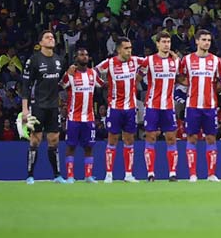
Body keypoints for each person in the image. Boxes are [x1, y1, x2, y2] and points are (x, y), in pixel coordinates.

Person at [21, 30, 65, 183]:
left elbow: (62, 82)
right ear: (40, 43)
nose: (51, 39)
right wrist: (25, 109)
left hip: (53, 106)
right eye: (47, 37)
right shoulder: (33, 60)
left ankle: (57, 175)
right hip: (38, 105)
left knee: (54, 140)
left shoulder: (59, 60)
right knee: (35, 139)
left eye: (52, 37)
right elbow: (26, 86)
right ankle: (30, 175)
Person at [96, 37, 141, 183]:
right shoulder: (109, 63)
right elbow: (93, 72)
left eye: (130, 48)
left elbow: (152, 62)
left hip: (130, 108)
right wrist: (102, 84)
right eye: (126, 48)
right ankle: (109, 174)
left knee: (129, 140)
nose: (129, 51)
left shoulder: (135, 61)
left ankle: (128, 174)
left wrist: (172, 56)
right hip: (115, 108)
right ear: (119, 50)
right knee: (112, 139)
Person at [179, 29, 221, 182]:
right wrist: (191, 86)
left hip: (210, 106)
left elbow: (220, 81)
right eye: (203, 40)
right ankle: (192, 174)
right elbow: (180, 77)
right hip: (192, 106)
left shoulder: (216, 60)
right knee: (192, 138)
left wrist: (212, 92)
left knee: (211, 138)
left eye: (209, 40)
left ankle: (211, 174)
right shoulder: (187, 60)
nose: (206, 43)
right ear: (197, 41)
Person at [140, 31, 182, 182]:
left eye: (168, 42)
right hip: (152, 105)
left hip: (168, 106)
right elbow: (138, 78)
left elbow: (181, 78)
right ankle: (151, 173)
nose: (166, 45)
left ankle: (172, 173)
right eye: (163, 42)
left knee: (171, 138)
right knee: (151, 137)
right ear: (157, 44)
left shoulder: (175, 62)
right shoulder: (149, 61)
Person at [59, 47, 101, 183]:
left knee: (89, 147)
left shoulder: (92, 73)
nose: (85, 57)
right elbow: (60, 85)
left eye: (86, 55)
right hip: (73, 118)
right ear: (76, 58)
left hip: (89, 118)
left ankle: (88, 176)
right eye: (81, 55)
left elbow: (102, 84)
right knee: (71, 146)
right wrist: (67, 73)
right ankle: (70, 176)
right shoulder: (71, 73)